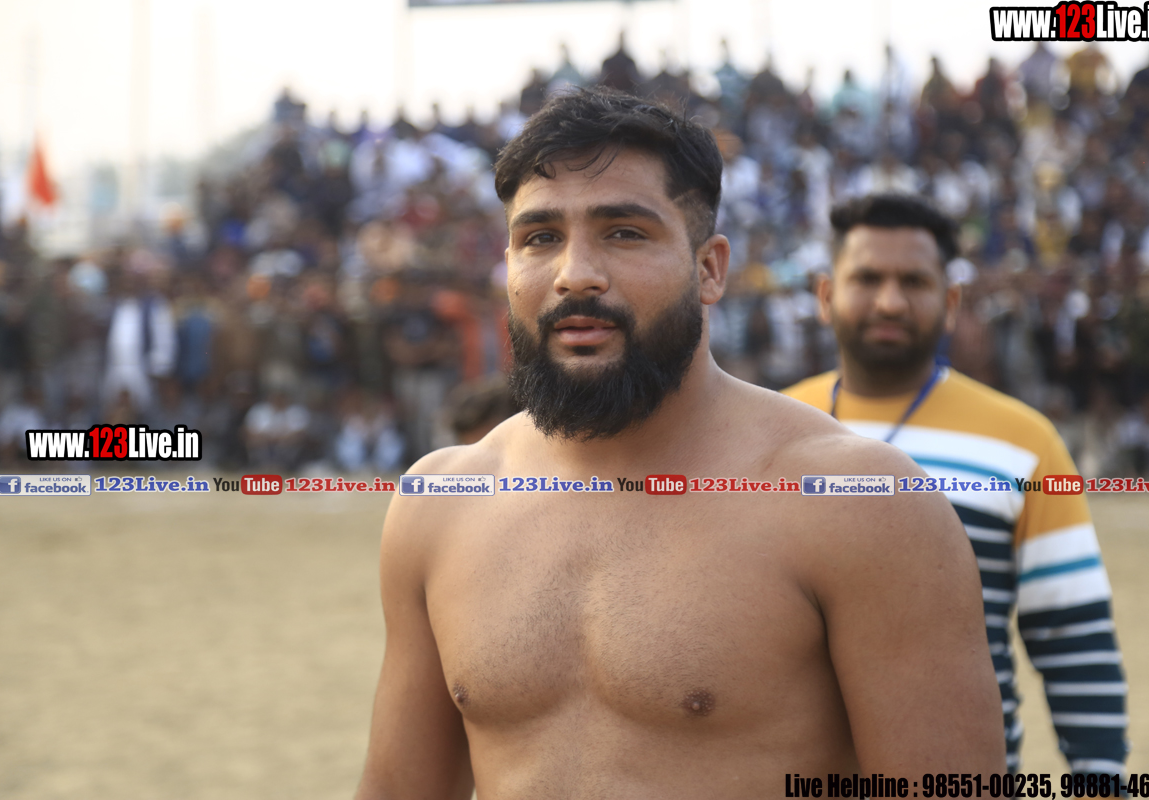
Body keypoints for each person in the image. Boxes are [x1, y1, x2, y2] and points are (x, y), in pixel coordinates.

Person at [355, 91, 1003, 799]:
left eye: (624, 232)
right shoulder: (441, 503)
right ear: (507, 265)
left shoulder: (860, 505)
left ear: (709, 269)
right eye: (540, 237)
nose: (575, 273)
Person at [784, 194, 1129, 776]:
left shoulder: (1025, 443)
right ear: (825, 296)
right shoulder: (768, 434)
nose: (890, 301)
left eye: (913, 281)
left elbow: (1074, 635)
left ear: (950, 304)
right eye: (867, 278)